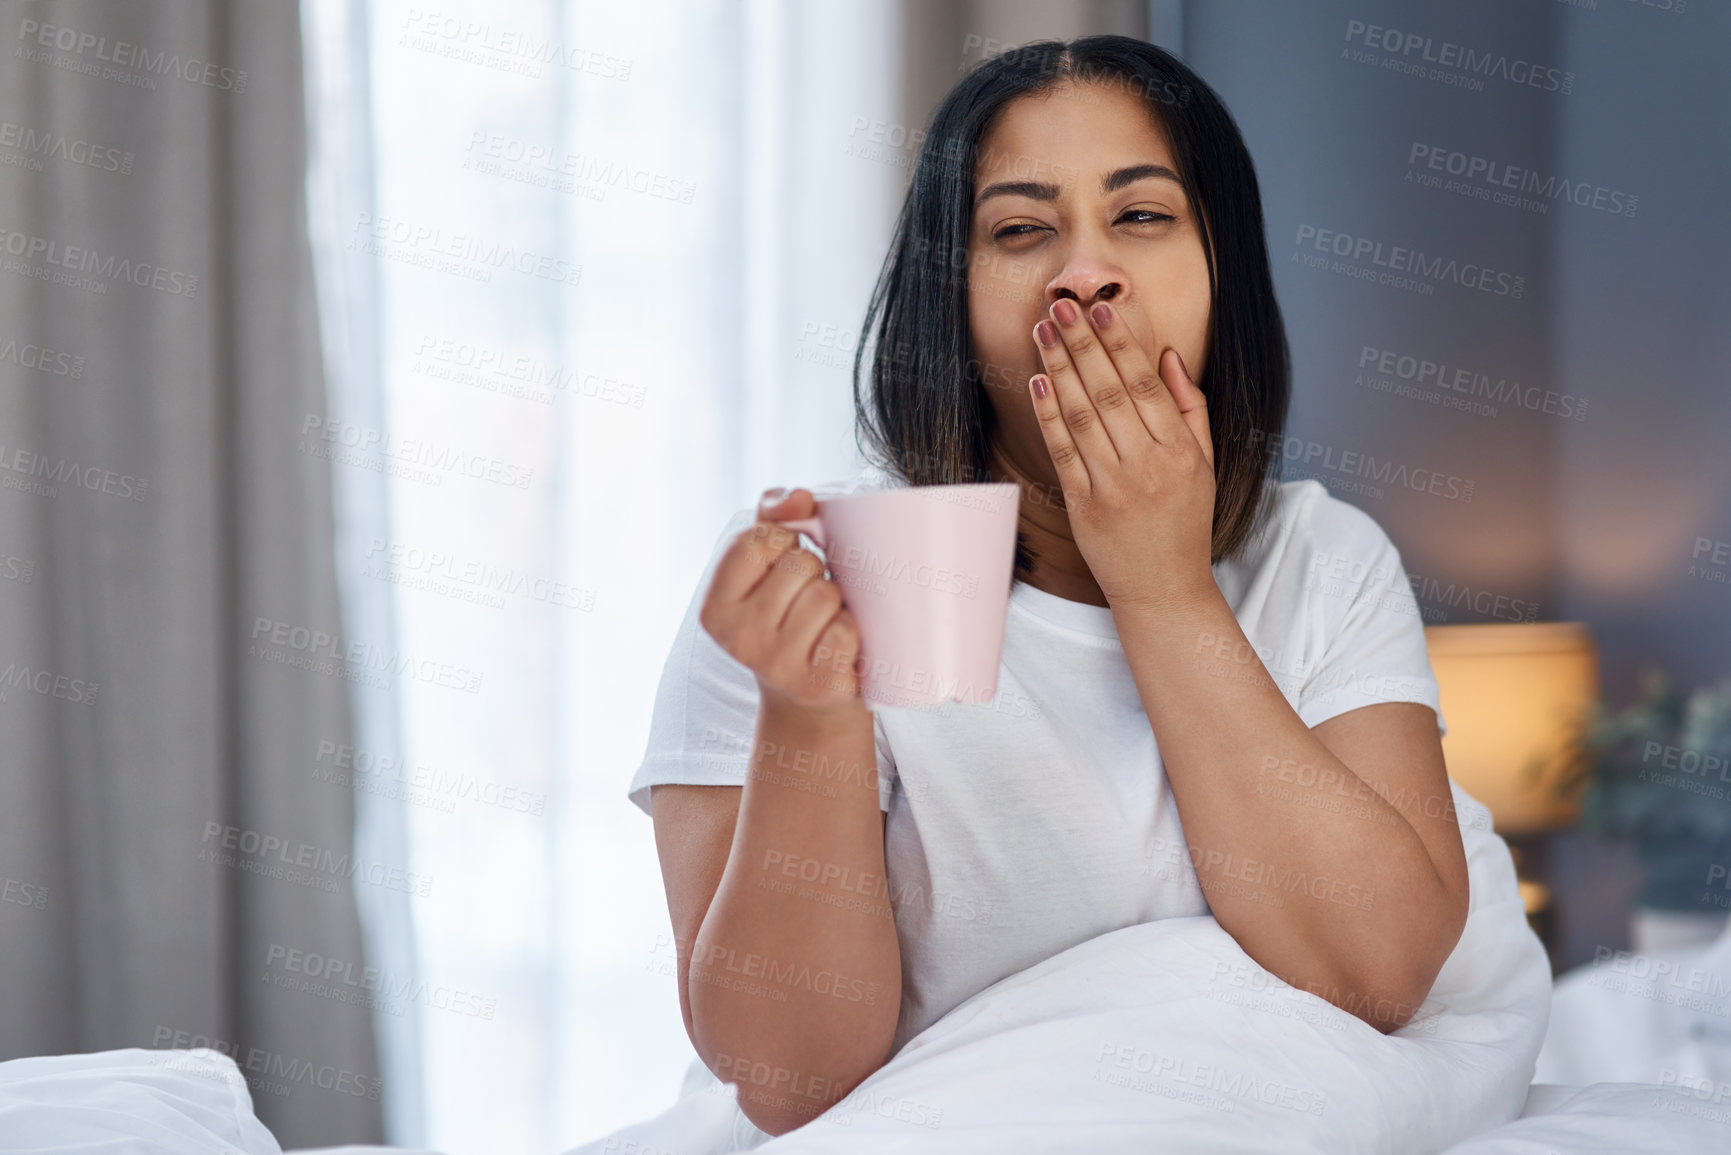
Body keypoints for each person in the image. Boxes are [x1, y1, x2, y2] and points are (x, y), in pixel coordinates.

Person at [628, 35, 1468, 1140]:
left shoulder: (1324, 560)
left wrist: (1162, 587)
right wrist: (810, 715)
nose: (1084, 273)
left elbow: (1378, 973)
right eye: (1021, 230)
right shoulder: (810, 574)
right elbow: (791, 1080)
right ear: (950, 297)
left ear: (1224, 270)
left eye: (1143, 216)